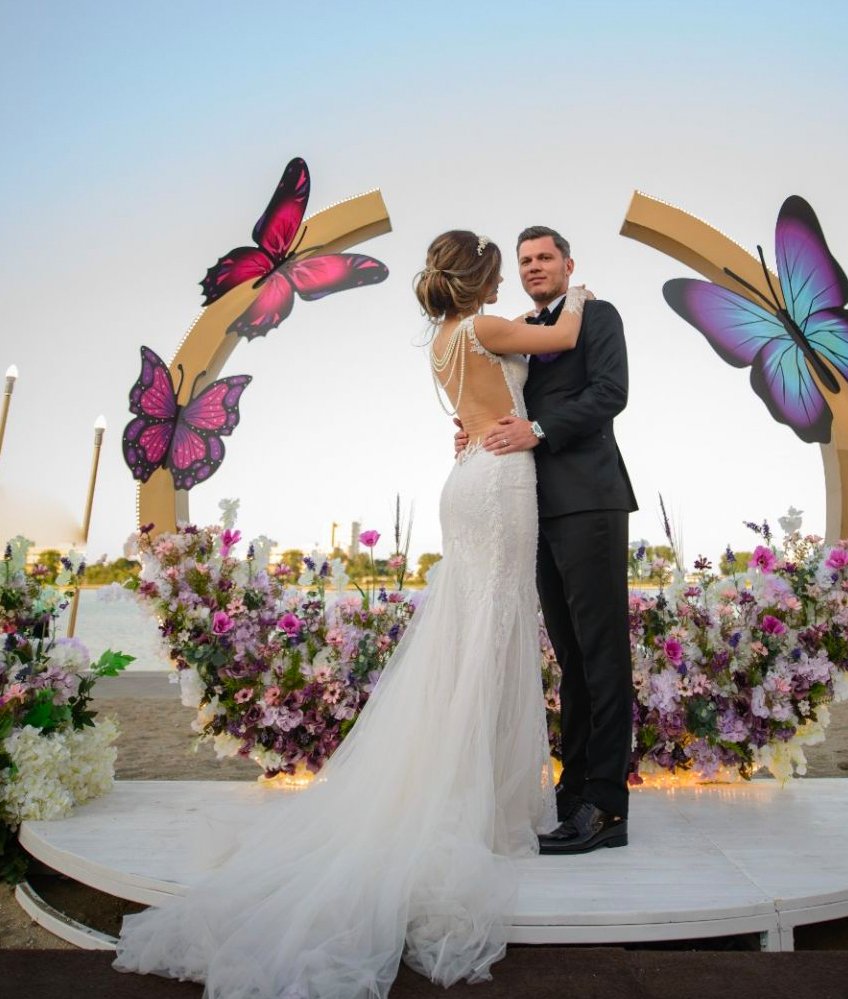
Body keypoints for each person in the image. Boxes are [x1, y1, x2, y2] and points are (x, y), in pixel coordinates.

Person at [113, 230, 592, 999]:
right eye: (502, 271)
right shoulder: (486, 326)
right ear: (480, 281)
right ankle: (482, 806)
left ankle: (467, 791)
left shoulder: (442, 340)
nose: (510, 280)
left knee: (469, 638)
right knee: (491, 638)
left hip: (467, 476)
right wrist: (582, 290)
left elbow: (477, 400)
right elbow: (565, 332)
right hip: (501, 486)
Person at [467, 226, 637, 855]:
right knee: (570, 659)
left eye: (545, 258)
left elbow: (609, 394)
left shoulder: (596, 315)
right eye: (526, 261)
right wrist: (474, 433)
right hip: (531, 508)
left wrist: (538, 427)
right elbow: (497, 407)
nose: (535, 267)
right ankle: (574, 793)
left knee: (602, 655)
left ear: (569, 263)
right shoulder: (522, 332)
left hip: (591, 501)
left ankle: (606, 806)